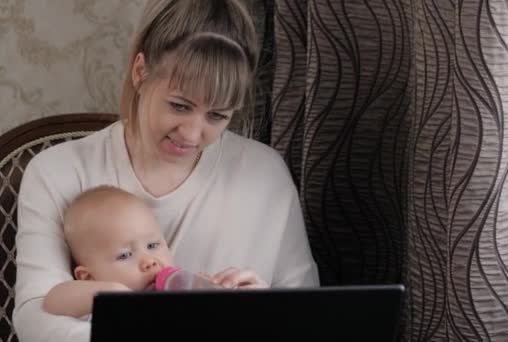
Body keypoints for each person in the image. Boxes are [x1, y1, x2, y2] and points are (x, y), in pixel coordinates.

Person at [13, 1, 319, 341]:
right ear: (140, 71)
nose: (190, 134)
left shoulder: (266, 176)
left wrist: (261, 311)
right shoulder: (57, 171)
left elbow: (307, 316)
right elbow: (35, 317)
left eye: (217, 115)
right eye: (179, 105)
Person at [43, 185, 174, 319]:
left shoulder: (179, 289)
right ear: (88, 278)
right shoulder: (99, 305)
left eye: (152, 245)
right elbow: (52, 302)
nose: (149, 261)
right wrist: (113, 292)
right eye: (125, 255)